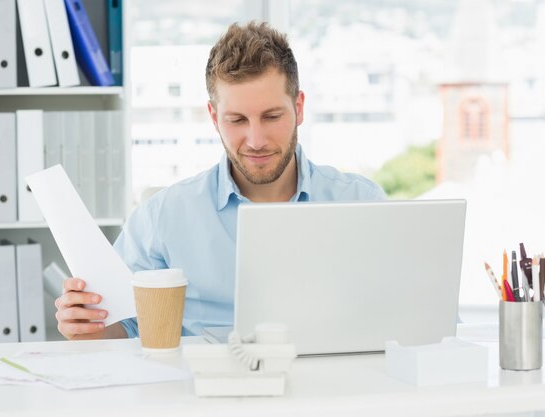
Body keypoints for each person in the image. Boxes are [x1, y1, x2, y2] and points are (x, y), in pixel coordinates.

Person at [54, 21, 386, 340]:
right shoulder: (162, 217)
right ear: (214, 117)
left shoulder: (361, 202)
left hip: (330, 390)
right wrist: (90, 327)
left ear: (298, 107)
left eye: (271, 116)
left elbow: (392, 314)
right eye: (237, 120)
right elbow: (125, 332)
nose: (255, 140)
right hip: (200, 391)